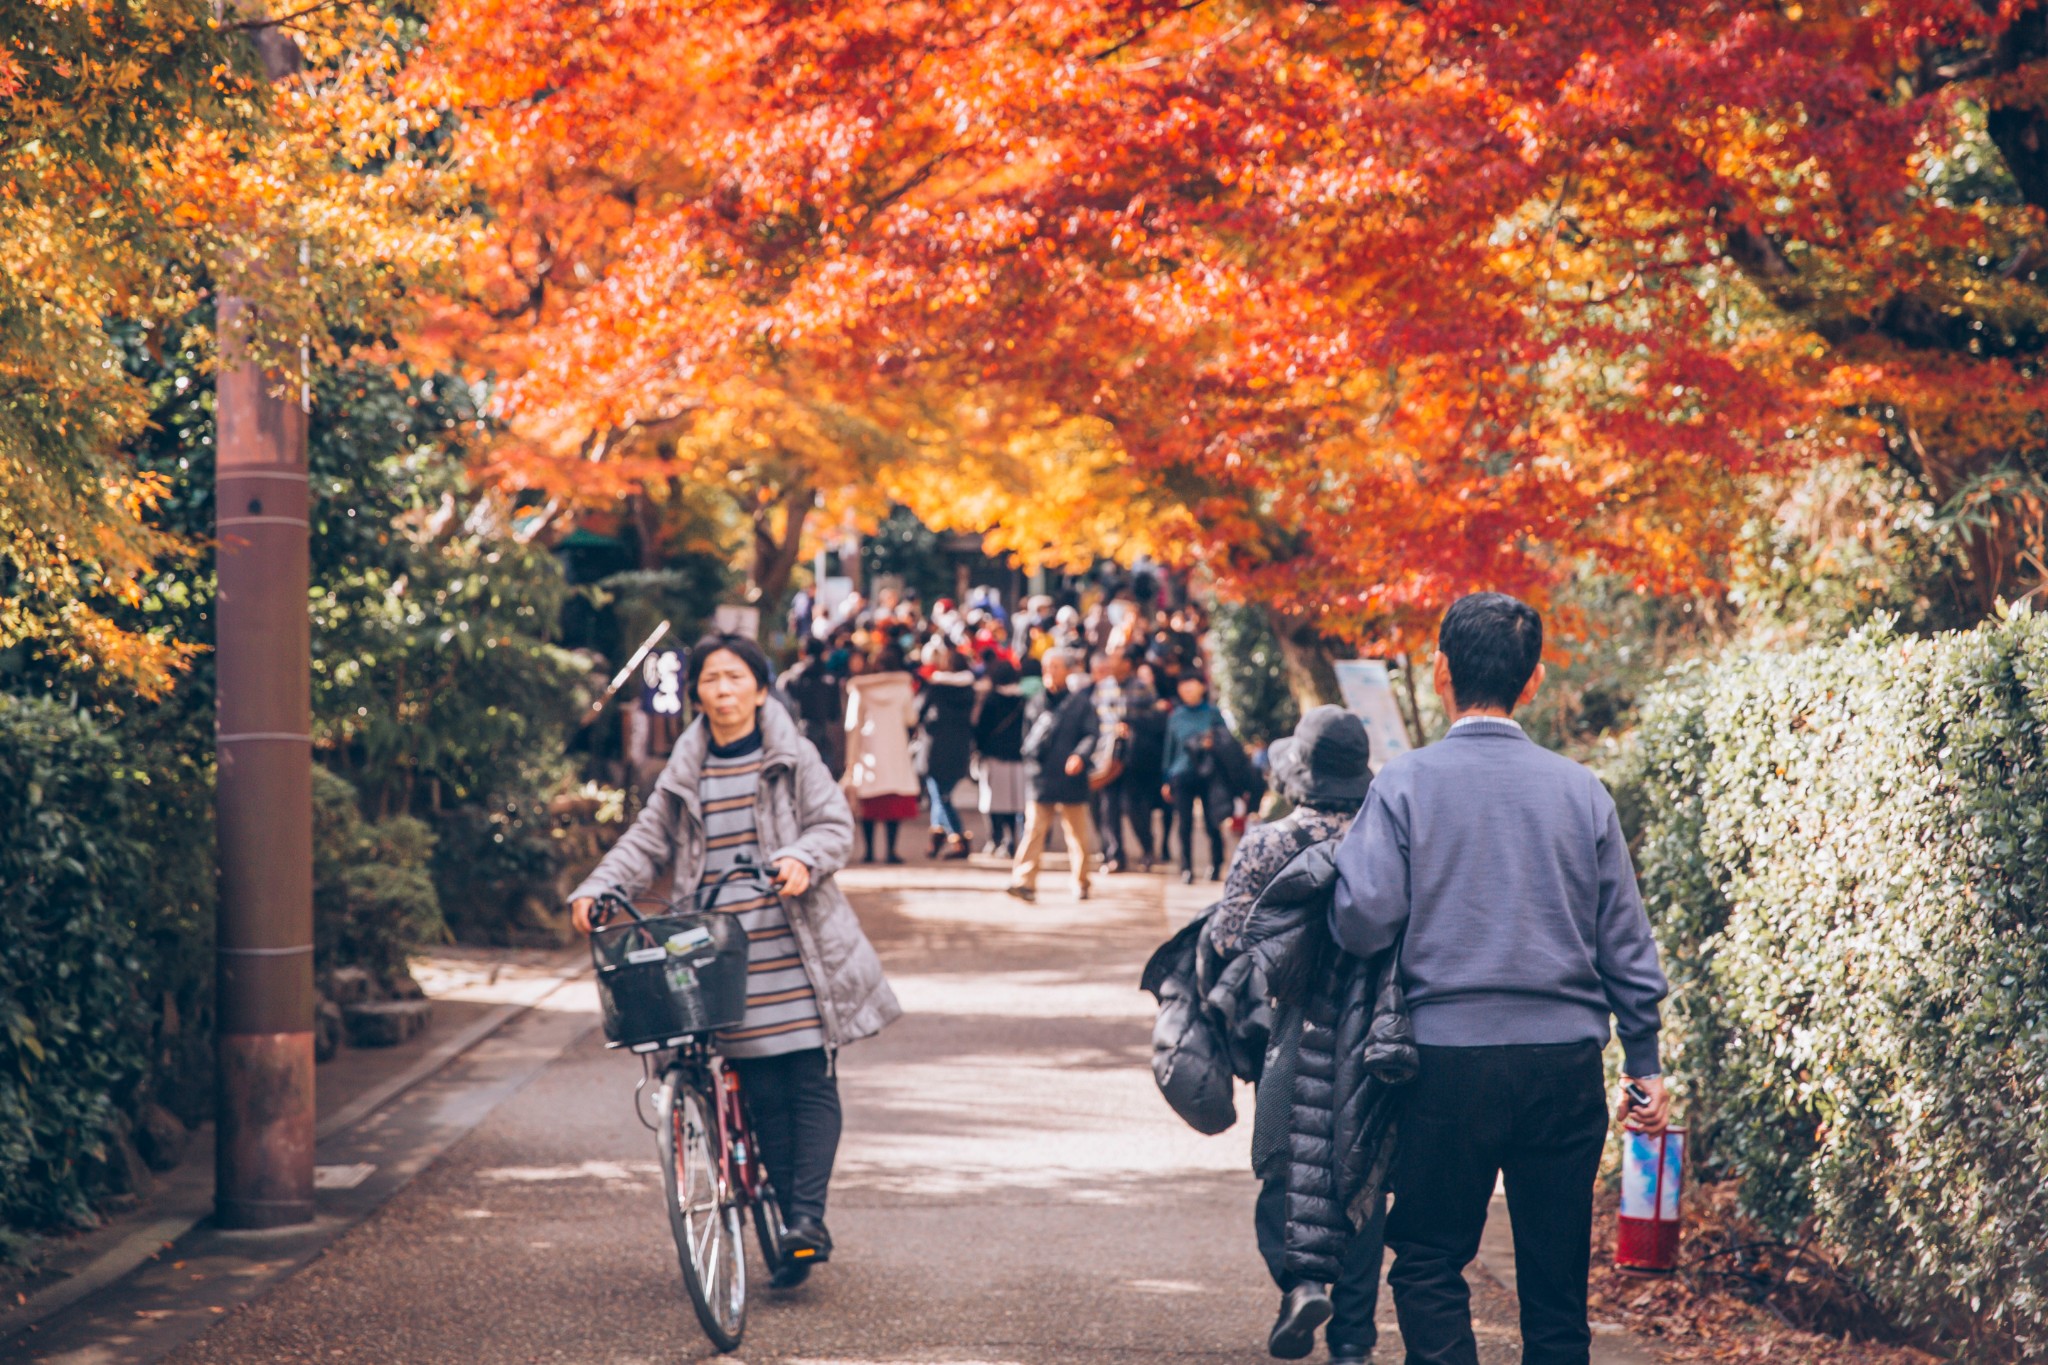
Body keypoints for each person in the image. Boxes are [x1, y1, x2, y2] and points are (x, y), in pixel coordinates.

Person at [1331, 593, 1672, 1365]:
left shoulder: (1405, 783)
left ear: (1440, 671)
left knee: (1426, 1257)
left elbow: (1363, 919)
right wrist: (1643, 1060)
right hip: (1565, 1064)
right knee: (1556, 1292)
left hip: (1443, 1064)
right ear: (1536, 677)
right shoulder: (1581, 789)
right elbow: (1625, 938)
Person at [569, 635, 901, 1285]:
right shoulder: (684, 769)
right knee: (757, 1086)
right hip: (718, 949)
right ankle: (787, 1220)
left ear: (759, 686)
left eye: (734, 677)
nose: (722, 690)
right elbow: (646, 840)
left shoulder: (794, 754)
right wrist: (597, 886)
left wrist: (803, 858)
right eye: (711, 679)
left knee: (806, 1074)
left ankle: (804, 1218)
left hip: (795, 942)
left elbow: (835, 825)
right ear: (697, 692)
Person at [1205, 707, 1384, 1363]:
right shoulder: (1388, 838)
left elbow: (1229, 940)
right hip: (1374, 1034)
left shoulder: (1267, 842)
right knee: (1364, 1173)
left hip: (1291, 1027)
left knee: (1287, 1162)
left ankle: (1302, 1283)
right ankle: (1353, 1340)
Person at [1006, 648, 1100, 904]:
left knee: (1077, 834)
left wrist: (1080, 756)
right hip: (1041, 776)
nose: (1051, 672)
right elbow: (1027, 737)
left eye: (1057, 667)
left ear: (1069, 671)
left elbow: (1091, 734)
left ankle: (1081, 881)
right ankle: (1024, 882)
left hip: (1071, 777)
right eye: (1048, 667)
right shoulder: (1036, 701)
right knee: (1034, 829)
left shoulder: (1081, 704)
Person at [844, 644, 920, 865]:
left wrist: (850, 759)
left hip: (869, 750)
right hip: (896, 750)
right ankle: (891, 851)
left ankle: (868, 851)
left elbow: (852, 723)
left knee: (869, 804)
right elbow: (911, 719)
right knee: (893, 805)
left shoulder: (860, 690)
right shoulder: (903, 690)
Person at [1163, 673, 1231, 884]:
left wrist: (1212, 742)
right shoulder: (1176, 716)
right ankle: (1186, 868)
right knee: (1184, 824)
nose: (1187, 689)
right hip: (1182, 775)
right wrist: (1166, 778)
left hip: (1209, 774)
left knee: (1212, 822)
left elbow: (1226, 742)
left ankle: (1216, 864)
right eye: (1183, 686)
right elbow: (1169, 749)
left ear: (1201, 687)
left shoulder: (1213, 713)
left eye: (1191, 684)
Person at [915, 641, 977, 860]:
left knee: (940, 796)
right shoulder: (969, 691)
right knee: (940, 794)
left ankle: (958, 838)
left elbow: (918, 712)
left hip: (935, 748)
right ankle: (937, 838)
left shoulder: (935, 687)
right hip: (959, 748)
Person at [971, 655, 1029, 857]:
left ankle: (995, 838)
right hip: (1017, 757)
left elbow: (981, 729)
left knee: (993, 802)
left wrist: (977, 749)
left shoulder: (991, 700)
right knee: (1015, 803)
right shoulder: (1023, 700)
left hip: (993, 756)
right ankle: (1012, 839)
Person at [1088, 650, 1131, 872]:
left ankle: (1116, 854)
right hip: (1093, 758)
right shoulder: (1090, 692)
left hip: (1114, 757)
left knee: (1110, 807)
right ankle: (1106, 850)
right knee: (1096, 809)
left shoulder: (1118, 689)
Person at [780, 635, 847, 778]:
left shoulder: (791, 678)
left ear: (802, 653)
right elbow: (835, 714)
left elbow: (782, 712)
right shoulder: (831, 679)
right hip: (825, 736)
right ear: (824, 654)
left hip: (797, 736)